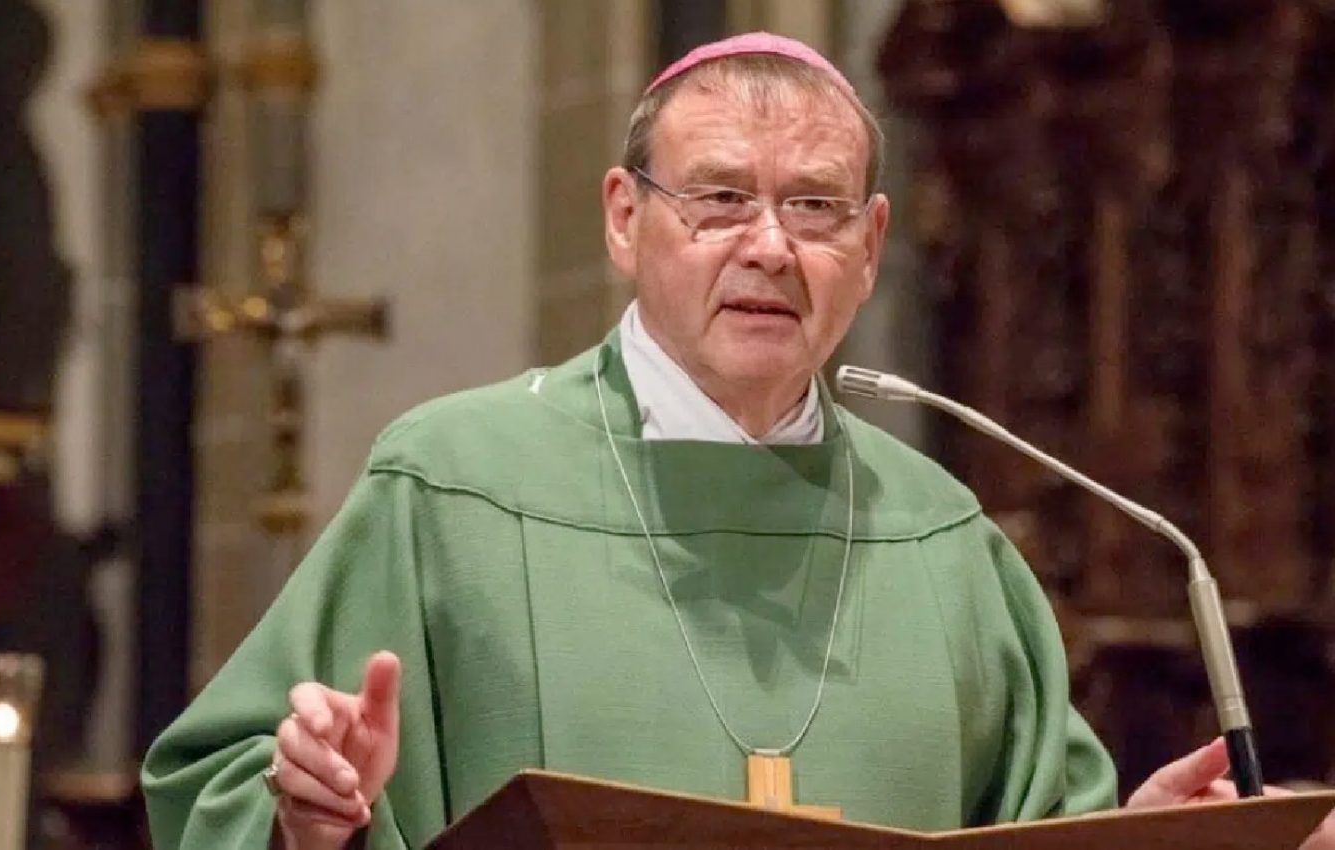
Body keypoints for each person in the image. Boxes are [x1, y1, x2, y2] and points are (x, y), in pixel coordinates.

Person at [141, 33, 1335, 850]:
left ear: (869, 246)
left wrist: (1139, 839)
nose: (769, 245)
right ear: (625, 219)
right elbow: (216, 788)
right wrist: (308, 818)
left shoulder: (945, 541)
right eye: (718, 198)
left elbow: (1036, 824)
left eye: (814, 206)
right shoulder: (454, 485)